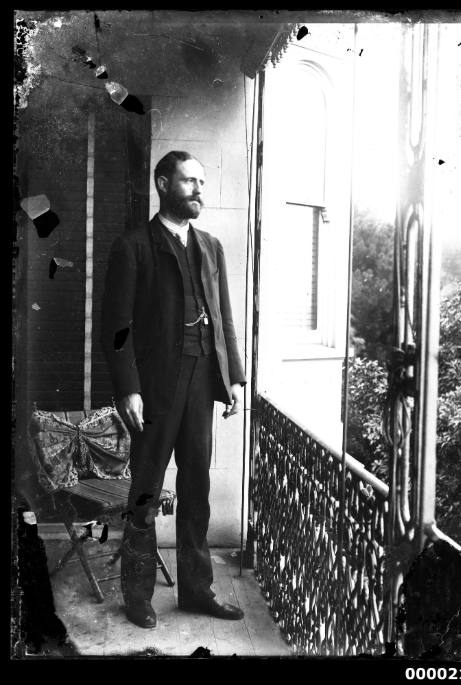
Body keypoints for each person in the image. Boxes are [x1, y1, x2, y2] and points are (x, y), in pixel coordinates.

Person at [101, 150, 246, 629]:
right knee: (145, 491)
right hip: (156, 388)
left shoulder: (211, 246)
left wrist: (236, 379)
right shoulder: (134, 246)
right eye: (189, 181)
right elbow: (116, 327)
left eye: (203, 182)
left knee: (197, 486)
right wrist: (129, 389)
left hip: (203, 382)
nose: (200, 190)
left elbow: (224, 318)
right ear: (163, 184)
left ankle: (197, 591)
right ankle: (138, 595)